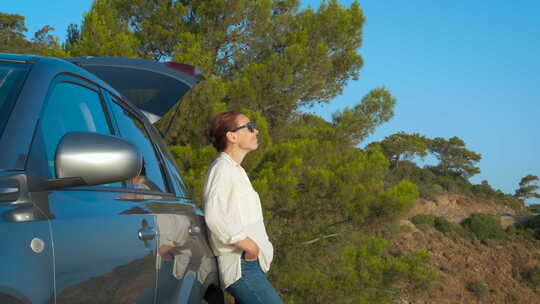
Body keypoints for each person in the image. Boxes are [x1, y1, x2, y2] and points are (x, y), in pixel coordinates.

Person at [203, 111, 284, 304]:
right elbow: (214, 215)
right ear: (232, 136)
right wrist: (250, 247)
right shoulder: (222, 168)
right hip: (242, 265)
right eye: (249, 127)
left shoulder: (235, 170)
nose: (256, 131)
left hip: (251, 265)